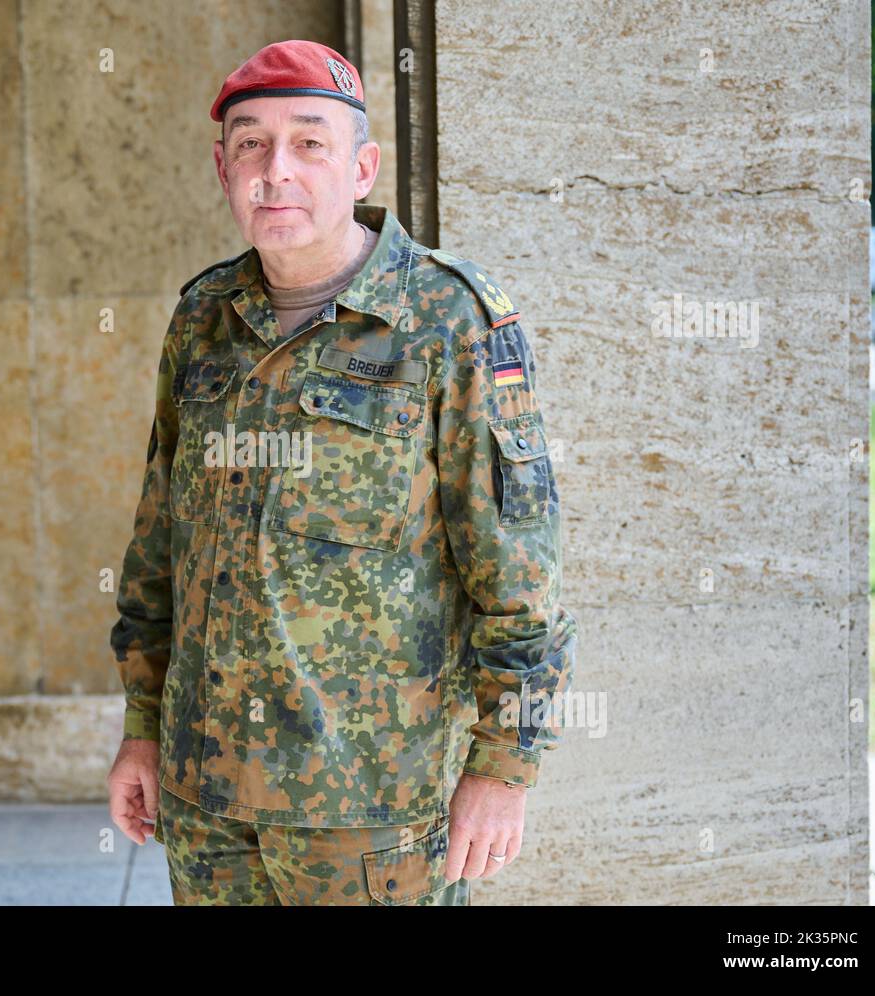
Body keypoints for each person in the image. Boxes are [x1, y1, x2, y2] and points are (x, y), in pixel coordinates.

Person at [106, 39, 578, 905]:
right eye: (251, 144)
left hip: (371, 811)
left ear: (361, 167)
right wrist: (142, 730)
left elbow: (520, 577)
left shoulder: (448, 319)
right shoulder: (202, 319)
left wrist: (504, 768)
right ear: (223, 169)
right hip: (205, 799)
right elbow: (157, 548)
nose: (275, 169)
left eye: (309, 142)